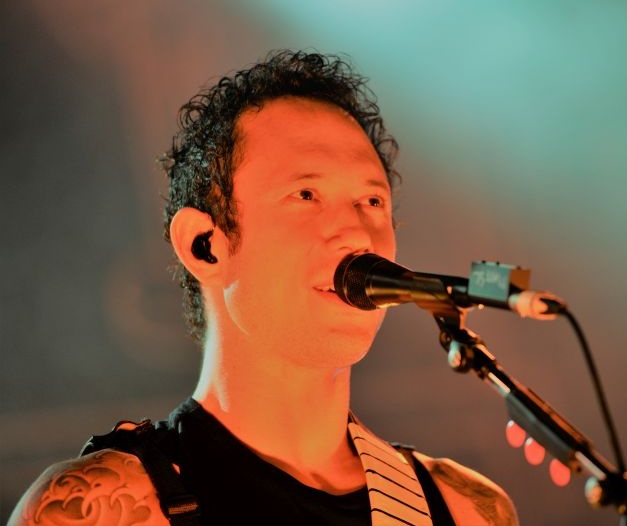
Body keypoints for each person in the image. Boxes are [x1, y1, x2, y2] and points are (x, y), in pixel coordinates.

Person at [10, 50, 518, 525]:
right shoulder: (101, 506)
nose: (358, 233)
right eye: (306, 193)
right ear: (205, 245)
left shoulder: (465, 509)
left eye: (372, 202)